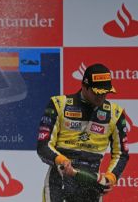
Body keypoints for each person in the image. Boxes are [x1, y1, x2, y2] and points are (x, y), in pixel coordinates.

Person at [37, 63, 129, 202]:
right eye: (97, 92)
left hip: (91, 181)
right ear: (84, 86)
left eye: (105, 93)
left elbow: (121, 154)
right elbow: (43, 145)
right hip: (60, 179)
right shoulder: (59, 104)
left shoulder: (115, 113)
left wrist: (112, 177)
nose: (101, 97)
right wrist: (61, 160)